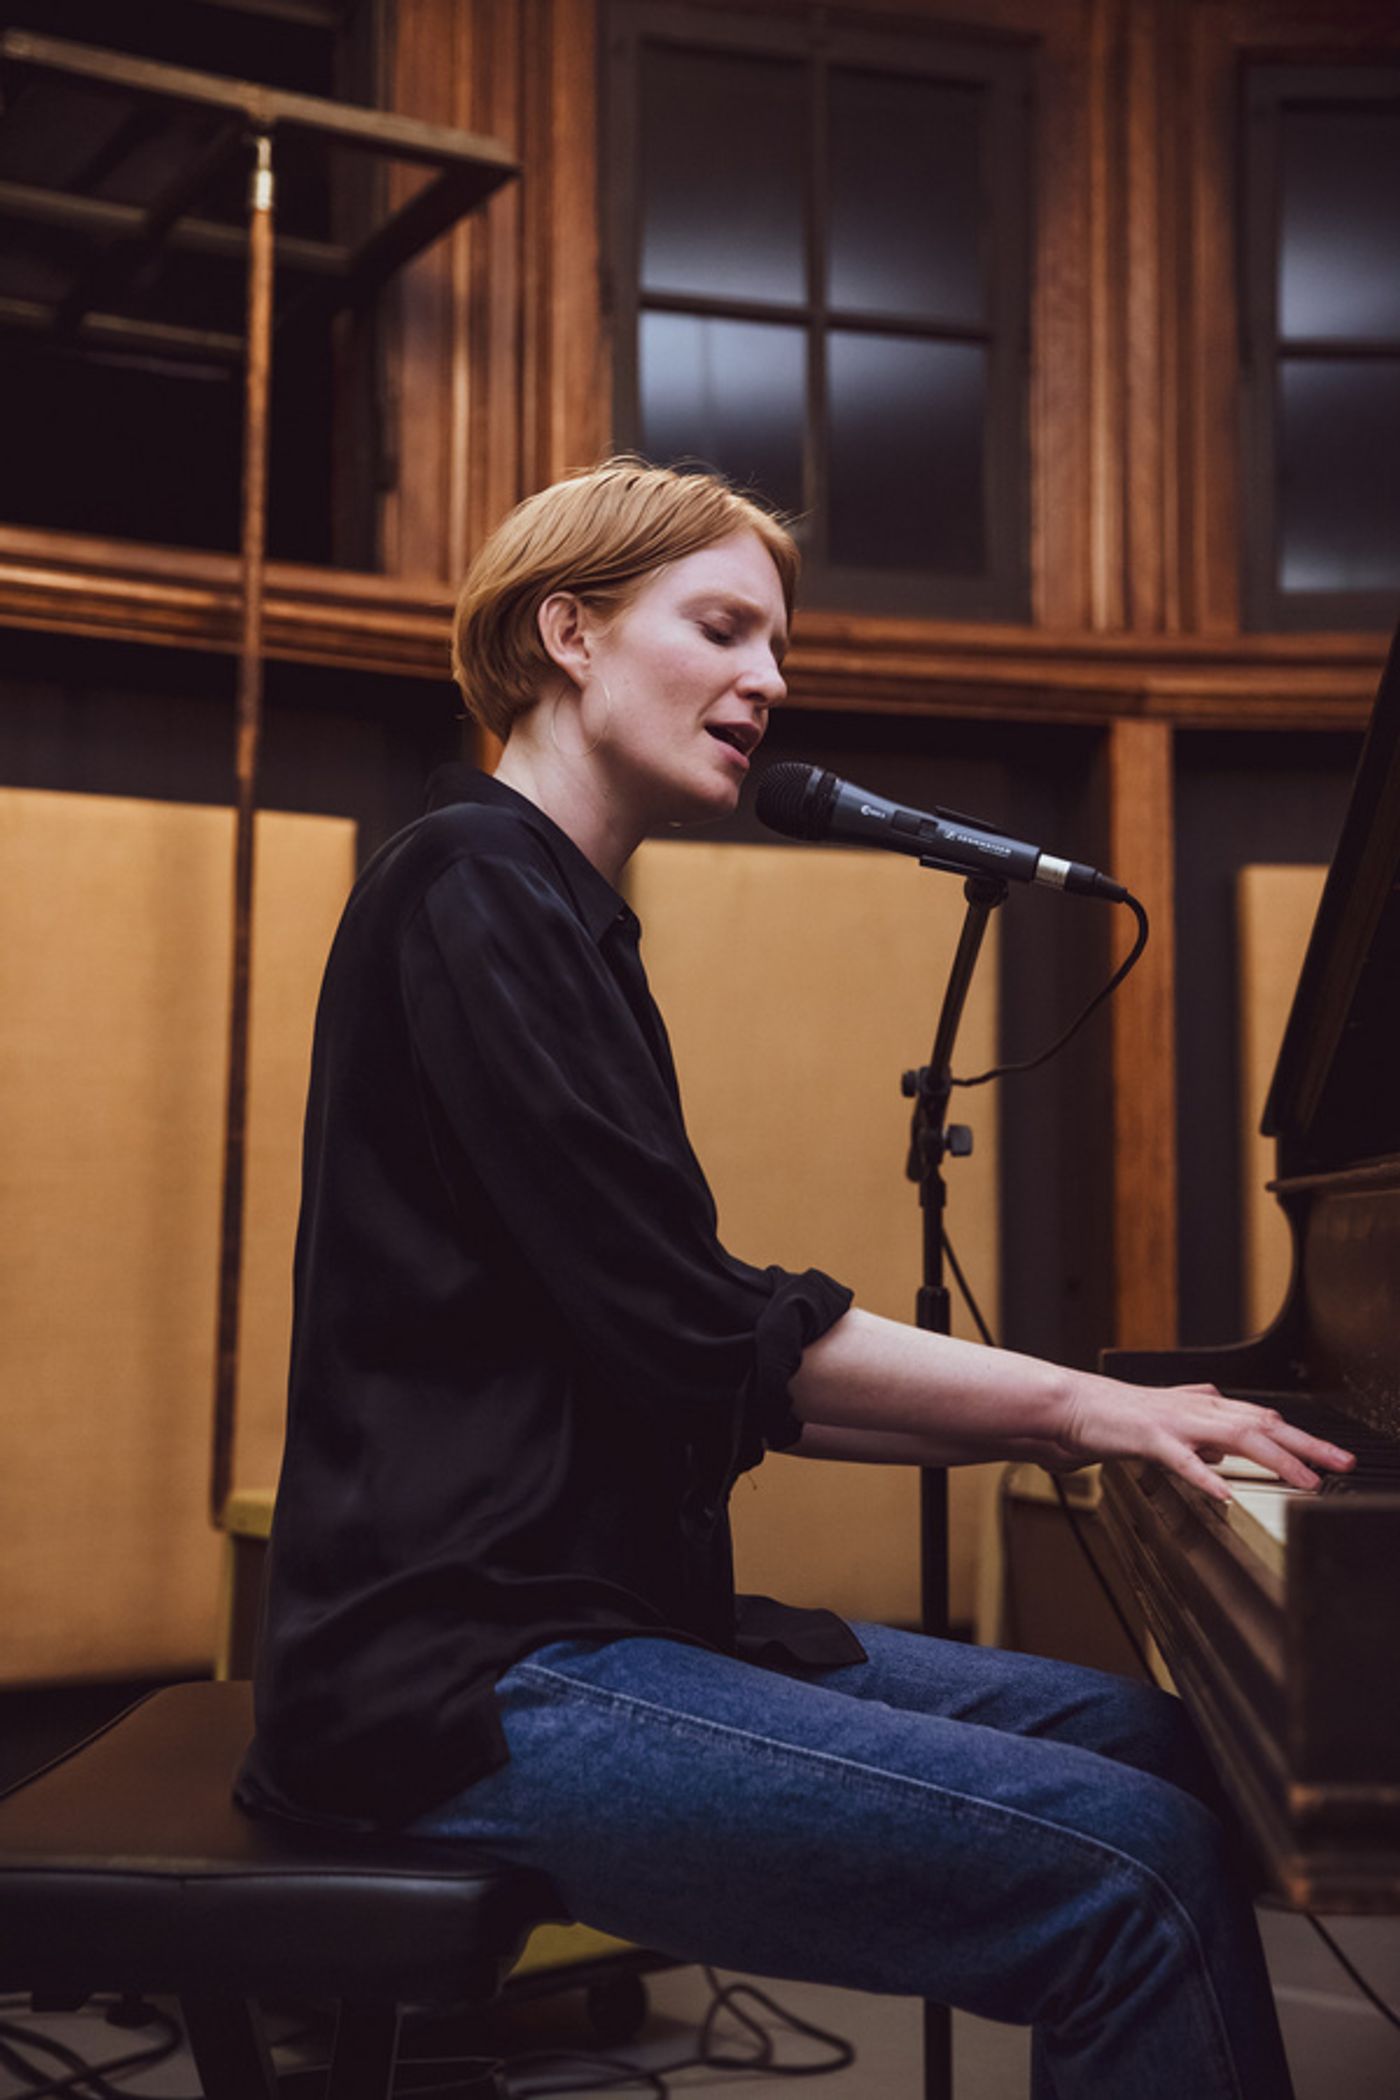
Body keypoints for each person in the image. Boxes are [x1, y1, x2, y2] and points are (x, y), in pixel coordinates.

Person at [239, 458, 1352, 2098]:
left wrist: (1074, 1427)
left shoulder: (555, 910)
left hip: (608, 1617)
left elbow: (704, 1363)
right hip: (465, 1679)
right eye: (723, 627)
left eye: (779, 643)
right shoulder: (467, 887)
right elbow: (705, 1333)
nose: (773, 679)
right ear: (568, 631)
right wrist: (1084, 1407)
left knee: (1174, 1750)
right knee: (1134, 1870)